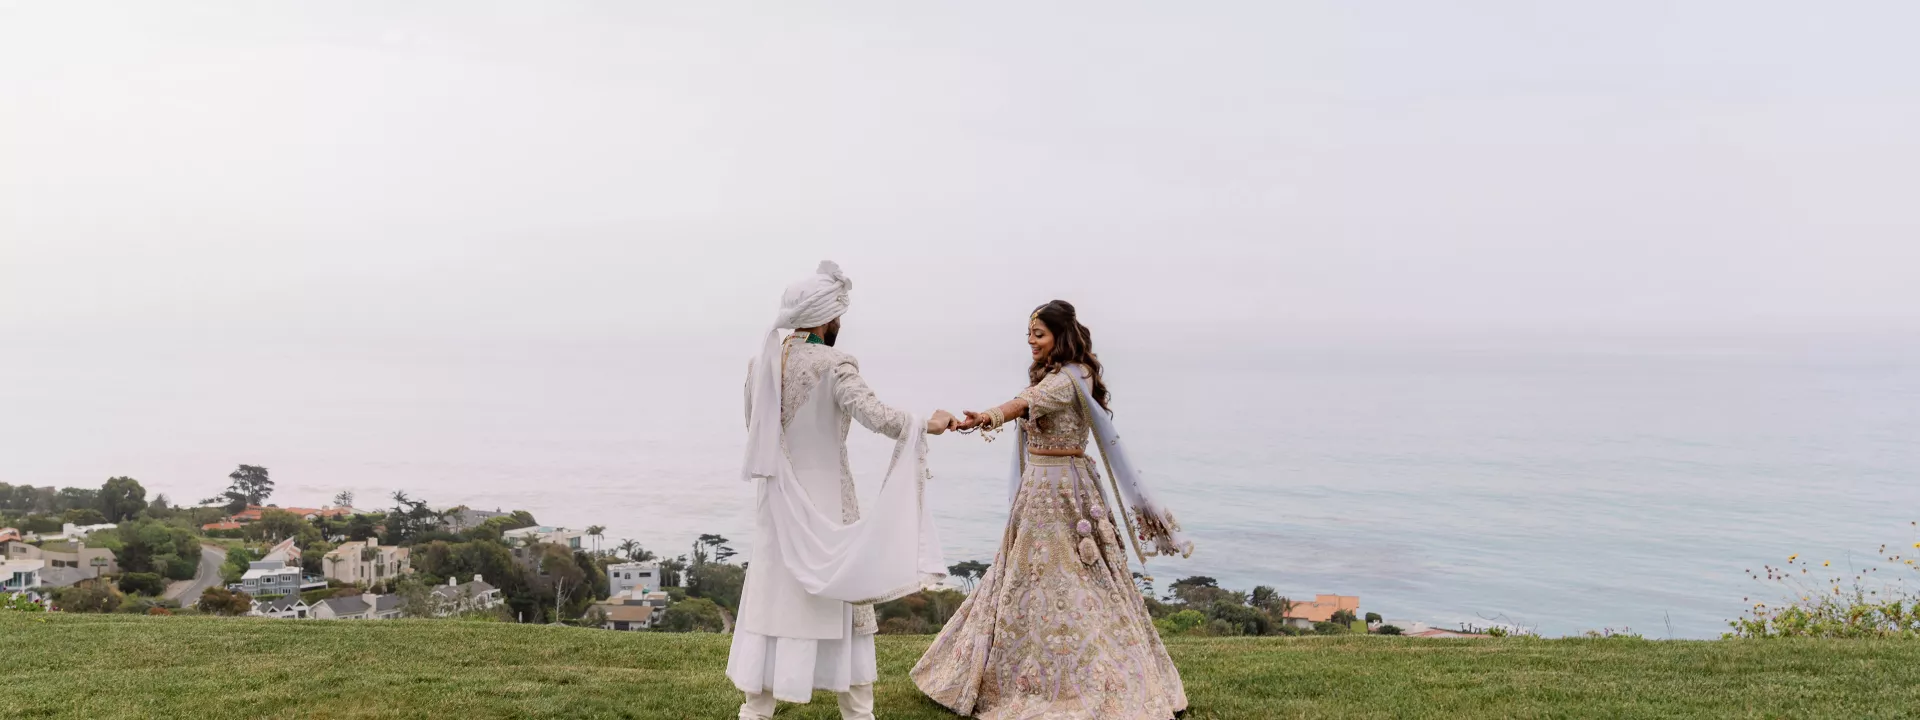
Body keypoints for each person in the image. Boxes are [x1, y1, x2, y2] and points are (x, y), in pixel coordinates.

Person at [911, 300, 1194, 720]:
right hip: (1038, 490)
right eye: (1029, 334)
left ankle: (1088, 679)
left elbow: (1024, 403)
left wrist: (983, 418)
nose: (1031, 341)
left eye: (1038, 334)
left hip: (1066, 492)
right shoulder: (1056, 376)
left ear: (1060, 336)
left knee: (1076, 581)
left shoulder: (1073, 378)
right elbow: (1027, 399)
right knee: (1021, 580)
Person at [729, 261, 956, 720]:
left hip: (777, 503)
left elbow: (755, 429)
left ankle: (757, 708)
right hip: (829, 499)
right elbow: (875, 415)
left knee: (777, 594)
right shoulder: (836, 363)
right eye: (838, 316)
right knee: (843, 593)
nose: (840, 324)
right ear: (825, 317)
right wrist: (924, 424)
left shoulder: (761, 364)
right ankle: (856, 712)